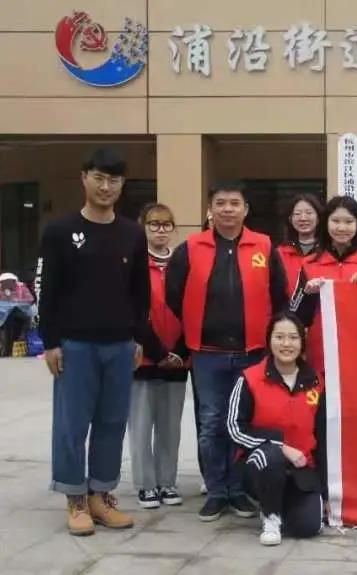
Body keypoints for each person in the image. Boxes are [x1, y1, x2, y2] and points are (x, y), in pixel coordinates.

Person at [36, 148, 149, 536]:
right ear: (84, 178)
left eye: (113, 180)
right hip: (74, 346)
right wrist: (51, 342)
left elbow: (140, 293)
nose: (105, 187)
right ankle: (75, 497)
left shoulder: (132, 233)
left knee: (112, 422)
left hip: (120, 346)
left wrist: (138, 338)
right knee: (72, 425)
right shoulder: (60, 231)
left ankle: (101, 494)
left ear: (122, 185)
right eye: (98, 178)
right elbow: (46, 291)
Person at [165, 181, 290, 522]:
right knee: (211, 422)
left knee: (243, 423)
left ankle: (239, 490)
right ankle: (216, 490)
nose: (228, 209)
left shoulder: (264, 245)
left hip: (253, 352)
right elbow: (174, 294)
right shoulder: (191, 248)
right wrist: (195, 324)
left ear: (246, 210)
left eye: (235, 203)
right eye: (220, 203)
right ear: (210, 210)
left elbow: (280, 295)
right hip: (207, 352)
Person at [229, 312, 326, 546]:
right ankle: (270, 516)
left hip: (301, 468)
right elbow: (234, 428)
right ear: (269, 340)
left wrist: (325, 490)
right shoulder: (250, 378)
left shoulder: (315, 381)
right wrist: (281, 446)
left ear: (302, 342)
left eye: (293, 337)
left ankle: (283, 506)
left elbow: (322, 435)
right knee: (271, 455)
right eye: (279, 337)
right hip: (259, 464)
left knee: (308, 527)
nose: (286, 344)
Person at [130, 203, 189, 510]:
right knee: (141, 425)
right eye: (154, 224)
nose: (160, 230)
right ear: (143, 227)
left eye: (166, 224)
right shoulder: (133, 264)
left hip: (178, 358)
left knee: (170, 427)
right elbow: (132, 312)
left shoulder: (182, 263)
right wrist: (156, 350)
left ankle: (167, 481)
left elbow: (193, 309)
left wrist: (179, 350)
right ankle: (145, 484)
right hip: (144, 357)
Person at [292, 196, 357, 373]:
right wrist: (308, 293)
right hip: (321, 354)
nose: (341, 228)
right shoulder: (310, 263)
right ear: (325, 223)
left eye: (349, 222)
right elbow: (297, 316)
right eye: (335, 221)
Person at [277, 194, 323, 297]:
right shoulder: (279, 253)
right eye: (297, 214)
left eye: (309, 213)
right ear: (290, 219)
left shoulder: (327, 251)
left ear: (318, 217)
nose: (303, 218)